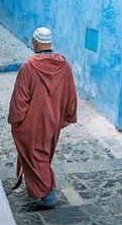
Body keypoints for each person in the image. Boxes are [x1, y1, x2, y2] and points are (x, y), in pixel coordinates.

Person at [7, 27, 77, 210]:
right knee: (42, 155)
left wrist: (16, 120)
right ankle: (45, 191)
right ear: (50, 43)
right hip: (53, 121)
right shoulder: (65, 65)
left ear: (35, 43)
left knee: (33, 156)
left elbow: (20, 98)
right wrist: (67, 117)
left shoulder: (29, 66)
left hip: (32, 121)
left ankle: (46, 195)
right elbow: (71, 94)